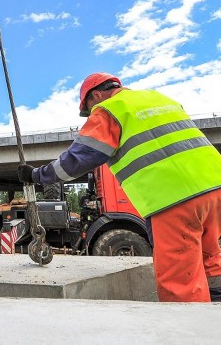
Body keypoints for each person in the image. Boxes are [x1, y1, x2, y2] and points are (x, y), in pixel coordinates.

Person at [18, 72, 221, 302]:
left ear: (96, 95)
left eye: (89, 109)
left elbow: (77, 160)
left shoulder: (109, 110)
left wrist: (36, 175)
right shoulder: (158, 98)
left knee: (180, 278)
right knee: (210, 258)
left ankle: (192, 332)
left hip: (175, 198)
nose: (90, 116)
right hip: (215, 185)